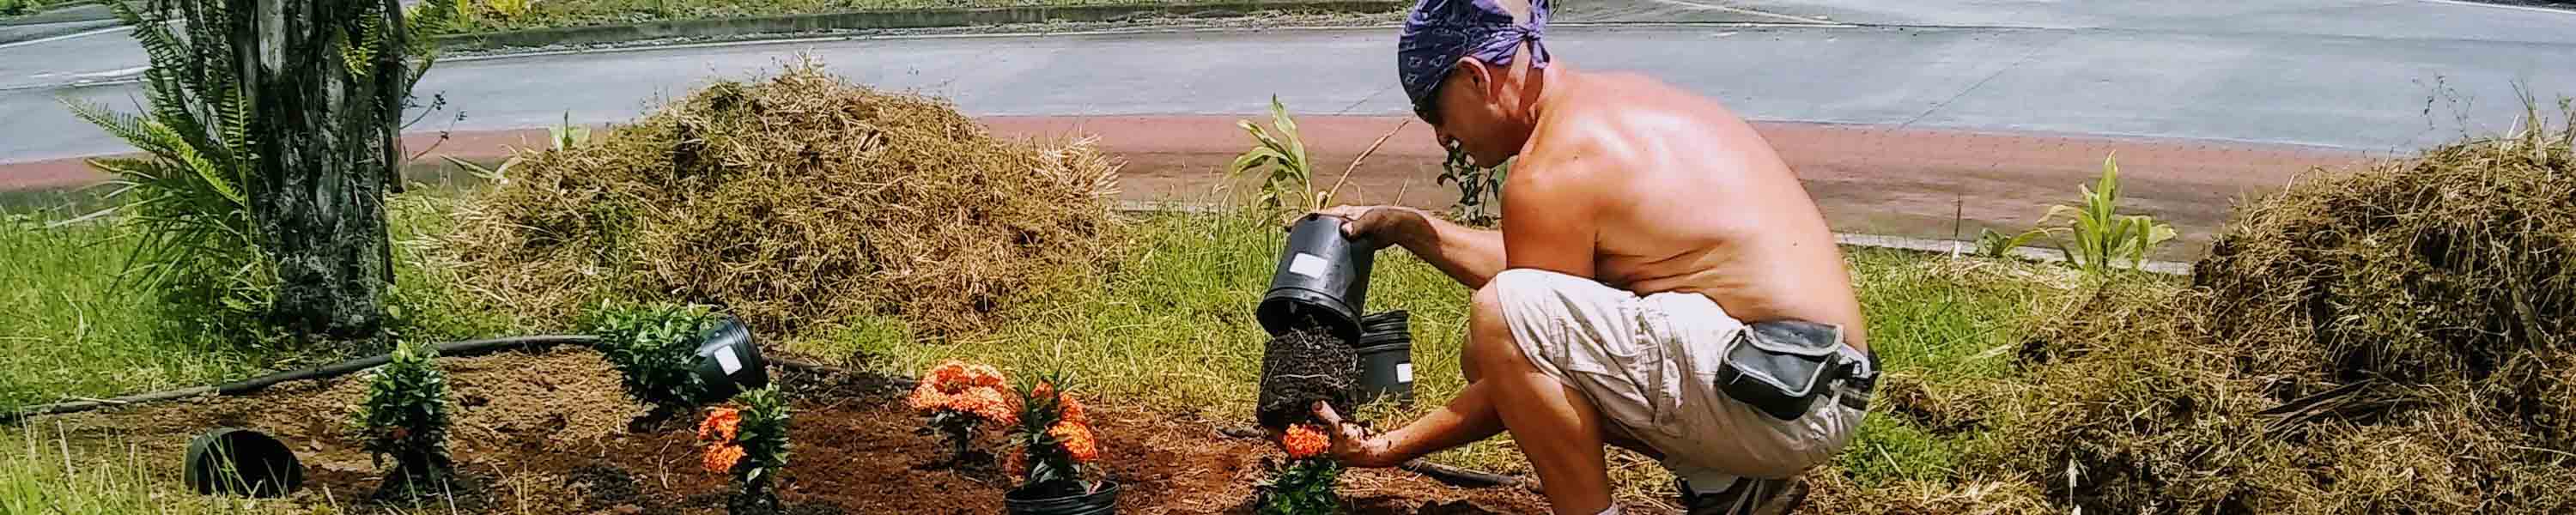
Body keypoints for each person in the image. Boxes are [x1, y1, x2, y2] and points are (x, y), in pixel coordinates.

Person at [1297, 0, 1878, 512]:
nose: (1442, 138)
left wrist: (1390, 447)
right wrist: (1411, 229)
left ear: (1475, 78)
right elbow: (1548, 291)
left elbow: (1524, 326)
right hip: (1808, 378)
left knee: (1500, 327)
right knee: (1497, 339)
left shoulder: (1552, 168)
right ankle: (1730, 483)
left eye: (1435, 113)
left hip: (1779, 399)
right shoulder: (1608, 103)